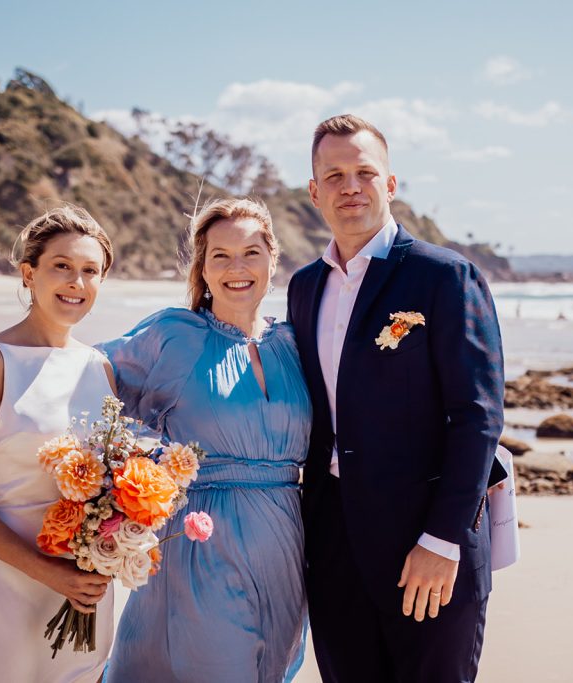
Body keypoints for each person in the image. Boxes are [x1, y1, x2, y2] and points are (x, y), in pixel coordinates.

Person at [286, 115, 505, 682]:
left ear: (390, 184)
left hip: (426, 546)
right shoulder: (304, 287)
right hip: (333, 546)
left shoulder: (444, 277)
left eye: (364, 172)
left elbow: (477, 417)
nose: (349, 186)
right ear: (314, 192)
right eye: (333, 175)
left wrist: (442, 539)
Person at [99, 198, 311, 683]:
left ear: (272, 258)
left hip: (286, 542)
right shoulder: (177, 335)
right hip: (203, 537)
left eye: (251, 253)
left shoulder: (296, 343)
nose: (238, 268)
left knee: (269, 668)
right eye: (221, 255)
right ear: (203, 267)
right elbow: (85, 372)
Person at [0, 206, 116, 682]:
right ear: (28, 273)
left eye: (90, 271)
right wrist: (49, 573)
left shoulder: (101, 368)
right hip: (3, 585)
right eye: (62, 266)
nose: (76, 281)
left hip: (85, 590)